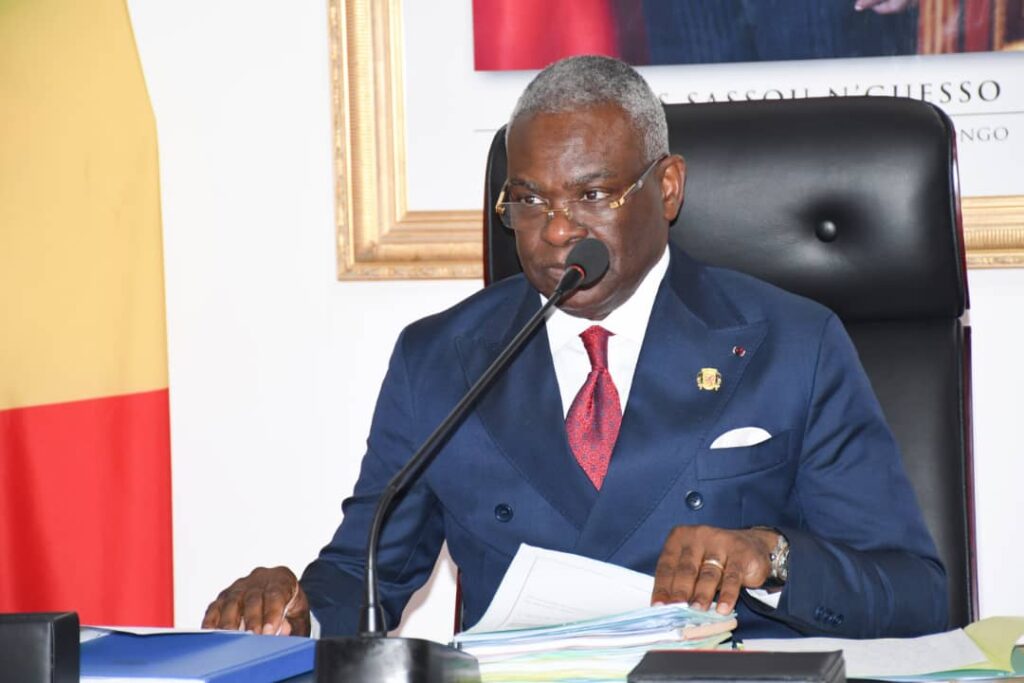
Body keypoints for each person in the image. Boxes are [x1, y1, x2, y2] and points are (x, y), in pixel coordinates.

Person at [202, 55, 947, 640]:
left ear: (670, 188)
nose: (558, 231)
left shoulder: (793, 342)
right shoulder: (441, 358)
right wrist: (296, 615)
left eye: (593, 195)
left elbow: (915, 594)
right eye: (528, 200)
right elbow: (362, 575)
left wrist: (770, 556)